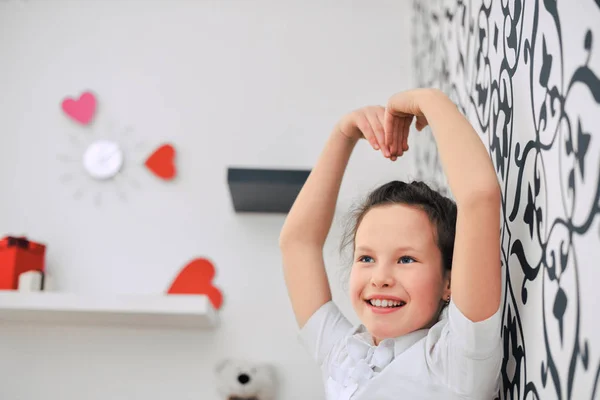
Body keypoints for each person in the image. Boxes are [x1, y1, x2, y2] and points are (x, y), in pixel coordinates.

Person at [278, 88, 503, 400]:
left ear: (449, 281)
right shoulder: (342, 354)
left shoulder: (455, 362)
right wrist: (343, 136)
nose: (380, 277)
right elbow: (297, 243)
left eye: (406, 259)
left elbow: (479, 197)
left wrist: (429, 101)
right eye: (366, 258)